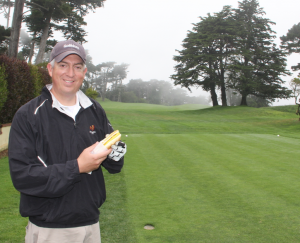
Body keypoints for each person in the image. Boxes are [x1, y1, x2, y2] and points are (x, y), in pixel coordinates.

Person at [8, 40, 126, 243]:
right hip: (50, 229)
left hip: (90, 224)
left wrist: (116, 152)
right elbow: (23, 177)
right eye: (63, 65)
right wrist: (78, 167)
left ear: (84, 71)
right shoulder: (28, 115)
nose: (70, 73)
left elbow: (114, 165)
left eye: (77, 66)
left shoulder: (94, 110)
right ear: (50, 69)